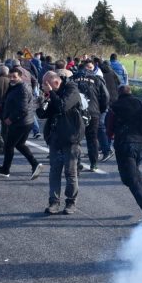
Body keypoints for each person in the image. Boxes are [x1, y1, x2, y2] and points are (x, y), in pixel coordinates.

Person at [106, 83, 142, 224]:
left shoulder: (115, 106)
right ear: (130, 92)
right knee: (134, 175)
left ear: (119, 93)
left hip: (124, 144)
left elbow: (108, 125)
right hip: (141, 143)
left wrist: (110, 136)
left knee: (129, 179)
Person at [37, 70, 84, 215]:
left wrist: (51, 93)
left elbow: (62, 107)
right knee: (54, 171)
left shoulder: (72, 89)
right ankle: (53, 202)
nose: (43, 86)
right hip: (55, 137)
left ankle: (71, 202)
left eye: (46, 84)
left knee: (70, 172)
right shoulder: (52, 93)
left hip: (71, 137)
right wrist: (42, 102)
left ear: (55, 82)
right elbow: (43, 114)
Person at [0, 67, 42, 179]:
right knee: (19, 144)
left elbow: (22, 109)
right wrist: (1, 105)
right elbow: (8, 99)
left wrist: (11, 119)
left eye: (15, 77)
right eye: (10, 76)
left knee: (9, 145)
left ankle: (5, 169)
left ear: (20, 77)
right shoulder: (14, 86)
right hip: (24, 121)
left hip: (21, 122)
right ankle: (35, 164)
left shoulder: (22, 88)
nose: (12, 79)